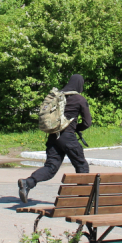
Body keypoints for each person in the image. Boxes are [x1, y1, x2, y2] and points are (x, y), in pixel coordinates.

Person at [18, 74, 91, 203]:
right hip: (68, 137)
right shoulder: (79, 99)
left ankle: (28, 182)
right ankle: (83, 200)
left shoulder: (57, 96)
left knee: (51, 167)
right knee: (82, 166)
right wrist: (76, 128)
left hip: (53, 137)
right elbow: (87, 122)